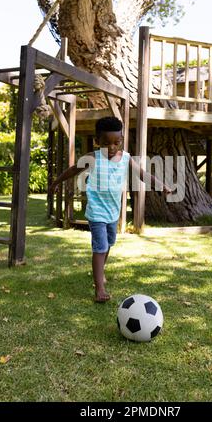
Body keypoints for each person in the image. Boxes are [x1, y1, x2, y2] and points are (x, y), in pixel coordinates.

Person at [50, 116, 171, 302]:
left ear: (122, 139)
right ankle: (99, 288)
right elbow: (74, 170)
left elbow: (143, 174)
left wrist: (160, 184)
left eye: (117, 142)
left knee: (108, 244)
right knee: (100, 247)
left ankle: (100, 273)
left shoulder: (126, 159)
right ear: (97, 141)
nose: (113, 147)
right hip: (97, 211)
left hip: (113, 211)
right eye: (107, 143)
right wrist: (57, 181)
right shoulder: (93, 157)